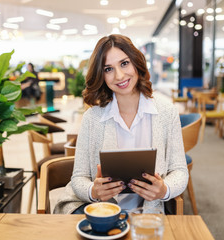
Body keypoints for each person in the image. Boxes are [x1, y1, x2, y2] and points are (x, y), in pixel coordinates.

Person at [54, 34, 188, 214]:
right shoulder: (92, 118)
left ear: (136, 62)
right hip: (103, 213)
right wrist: (93, 191)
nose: (119, 75)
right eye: (108, 69)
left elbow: (180, 171)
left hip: (148, 215)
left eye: (124, 63)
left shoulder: (166, 112)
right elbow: (79, 178)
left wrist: (164, 190)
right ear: (101, 75)